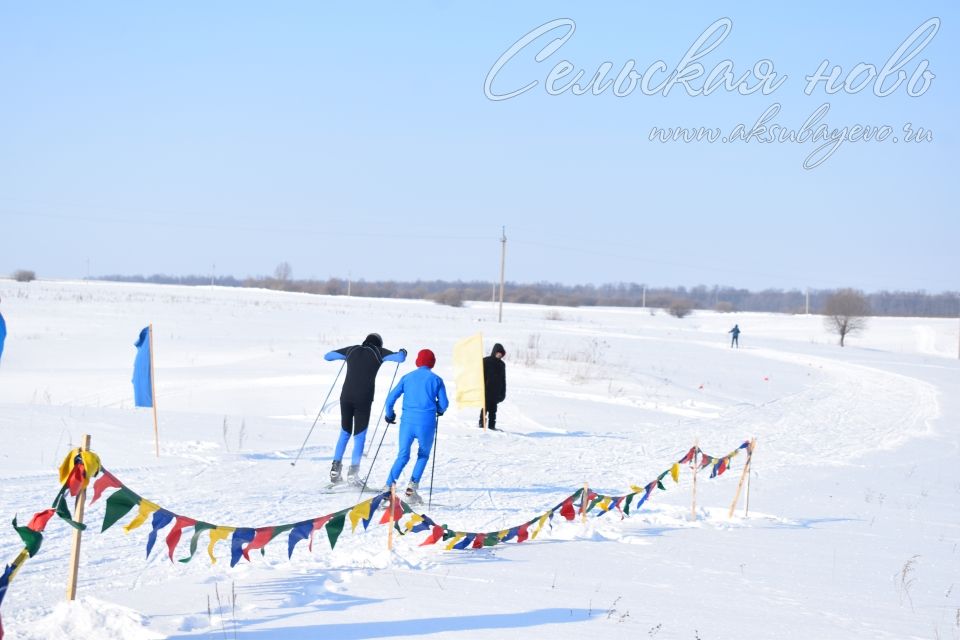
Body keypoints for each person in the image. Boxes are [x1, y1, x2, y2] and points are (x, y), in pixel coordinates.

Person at [324, 334, 406, 485]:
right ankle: (353, 473)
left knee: (345, 432)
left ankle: (335, 470)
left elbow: (328, 356)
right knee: (359, 436)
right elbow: (400, 358)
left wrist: (344, 355)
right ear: (379, 344)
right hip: (363, 398)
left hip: (345, 397)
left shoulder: (352, 350)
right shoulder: (378, 352)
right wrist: (403, 352)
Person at [383, 348, 449, 503]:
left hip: (407, 423)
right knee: (423, 455)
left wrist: (390, 414)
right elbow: (444, 403)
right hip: (426, 423)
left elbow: (391, 398)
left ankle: (387, 489)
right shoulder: (436, 380)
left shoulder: (407, 377)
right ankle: (411, 489)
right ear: (432, 363)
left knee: (403, 455)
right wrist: (439, 410)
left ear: (417, 362)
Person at [479, 343, 506, 430]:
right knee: (484, 408)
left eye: (501, 353)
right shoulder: (486, 361)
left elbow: (503, 380)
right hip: (486, 391)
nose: (499, 354)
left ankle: (492, 427)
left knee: (493, 411)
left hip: (496, 392)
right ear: (494, 352)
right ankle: (481, 425)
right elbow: (480, 375)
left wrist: (503, 393)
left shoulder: (502, 365)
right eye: (498, 352)